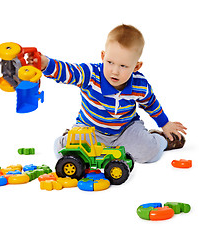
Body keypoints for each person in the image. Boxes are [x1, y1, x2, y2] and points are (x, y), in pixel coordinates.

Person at [28, 24, 187, 163]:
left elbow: (151, 103)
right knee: (61, 152)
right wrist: (45, 64)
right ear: (103, 56)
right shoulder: (90, 75)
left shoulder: (140, 85)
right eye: (110, 62)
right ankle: (71, 135)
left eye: (124, 66)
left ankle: (163, 140)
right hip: (90, 130)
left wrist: (165, 124)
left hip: (126, 130)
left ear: (136, 67)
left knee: (150, 153)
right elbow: (69, 72)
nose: (115, 71)